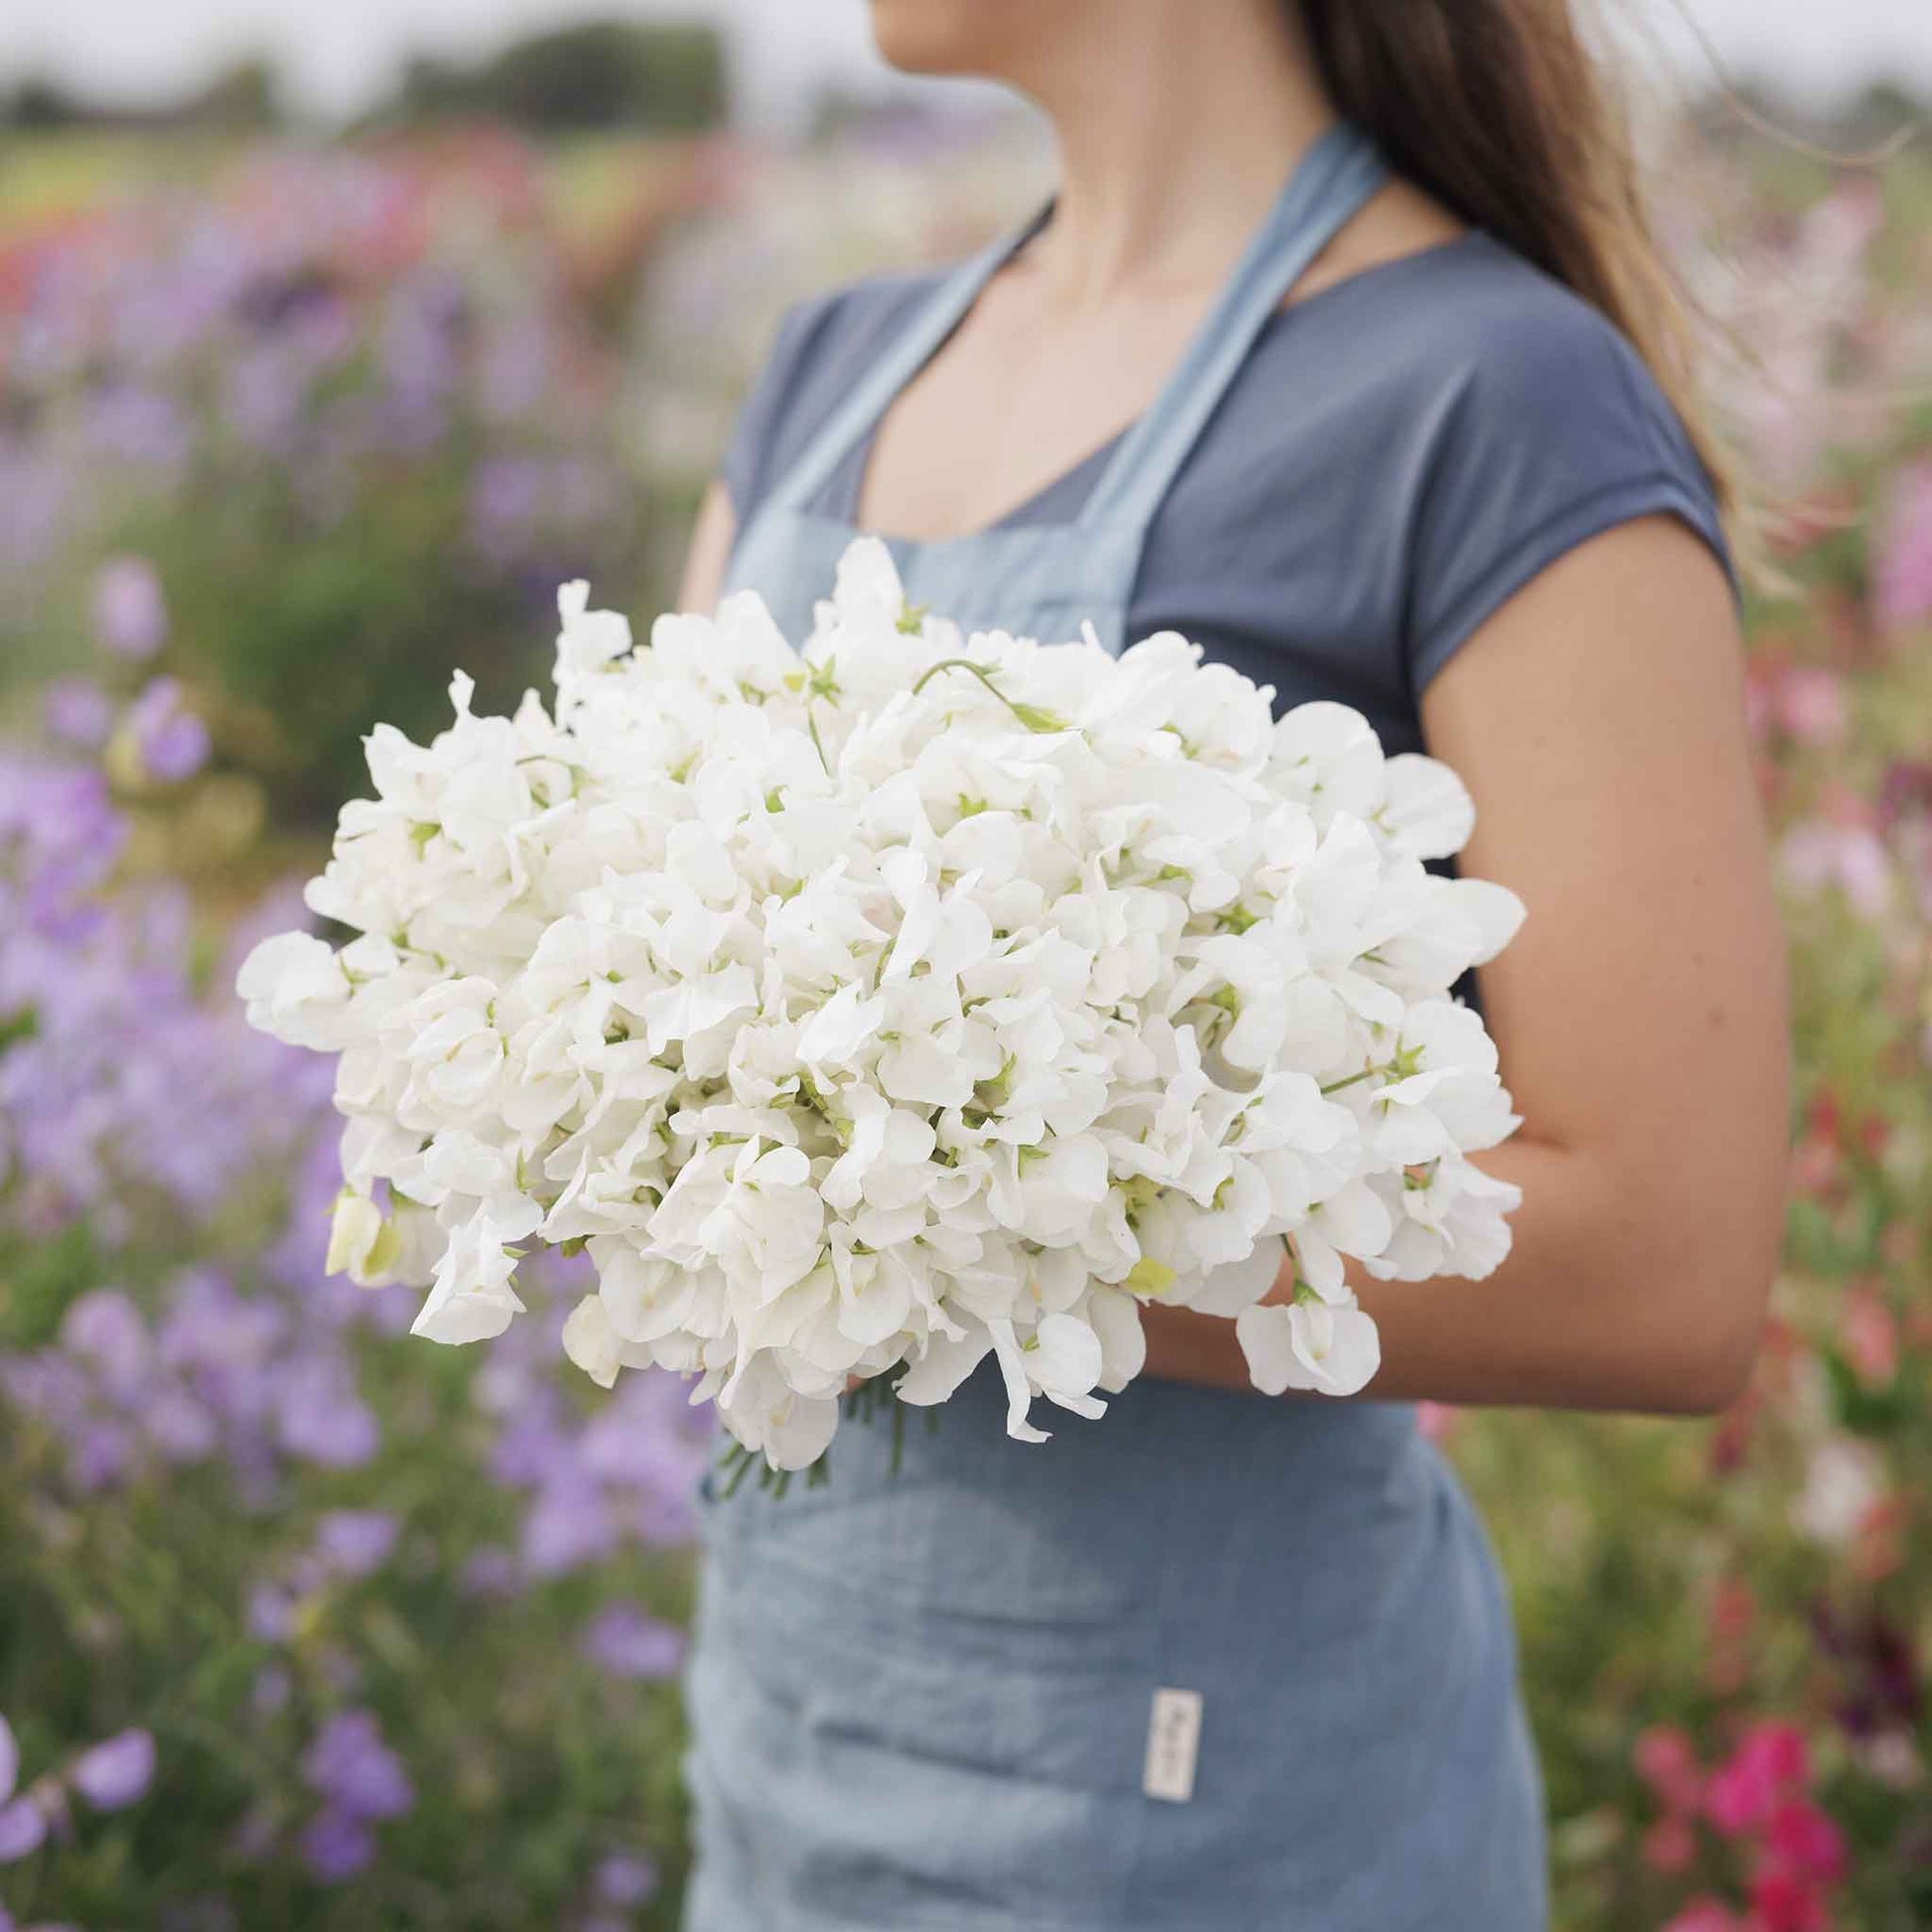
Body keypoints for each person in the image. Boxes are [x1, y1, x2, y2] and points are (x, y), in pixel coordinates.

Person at [673, 3, 1789, 1926]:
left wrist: (944, 1208)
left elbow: (1663, 1262)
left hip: (1218, 1817)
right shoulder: (833, 371)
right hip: (786, 1763)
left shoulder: (1488, 395)